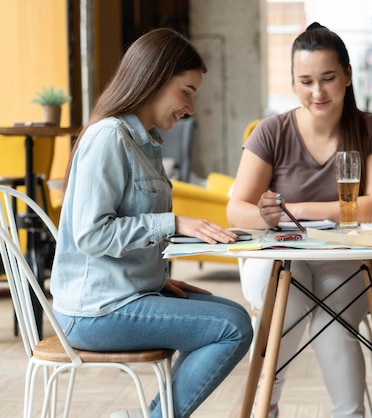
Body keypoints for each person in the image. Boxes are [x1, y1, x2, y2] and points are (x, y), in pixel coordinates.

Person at [50, 28, 253, 418]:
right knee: (231, 326)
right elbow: (92, 235)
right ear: (155, 79)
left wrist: (156, 281)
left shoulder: (146, 142)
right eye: (187, 92)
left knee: (229, 314)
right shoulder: (109, 136)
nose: (191, 108)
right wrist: (172, 222)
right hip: (95, 310)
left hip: (123, 294)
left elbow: (123, 226)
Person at [227, 22, 372, 418]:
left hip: (346, 254)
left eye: (328, 78)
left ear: (348, 76)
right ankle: (265, 403)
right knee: (288, 296)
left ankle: (268, 405)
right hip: (279, 253)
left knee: (334, 316)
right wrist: (268, 217)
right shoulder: (272, 131)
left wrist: (297, 209)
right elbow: (237, 208)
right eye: (305, 81)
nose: (317, 92)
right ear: (292, 82)